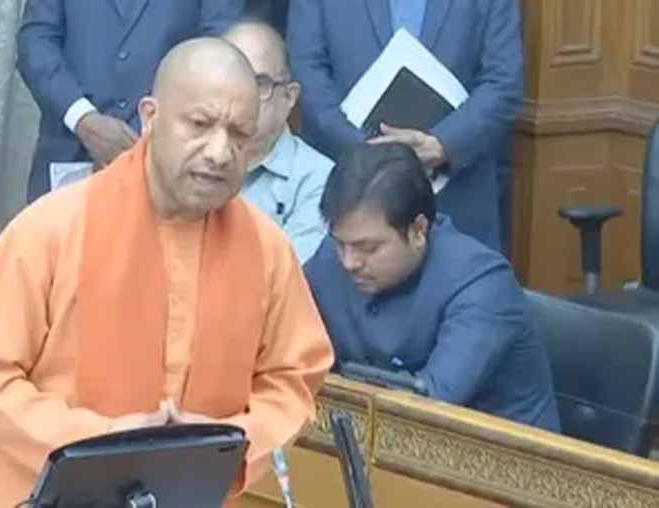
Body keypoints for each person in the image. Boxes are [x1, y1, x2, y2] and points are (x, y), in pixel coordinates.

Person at [0, 38, 334, 508]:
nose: (219, 152)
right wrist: (101, 442)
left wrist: (224, 443)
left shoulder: (267, 250)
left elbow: (295, 377)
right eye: (199, 124)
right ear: (150, 117)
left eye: (239, 134)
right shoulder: (51, 230)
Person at [303, 143, 559, 431]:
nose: (349, 262)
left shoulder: (482, 285)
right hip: (366, 440)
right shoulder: (330, 259)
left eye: (369, 248)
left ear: (418, 230)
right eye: (340, 244)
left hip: (493, 452)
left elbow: (428, 409)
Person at [287, 0, 523, 252]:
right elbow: (307, 72)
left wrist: (442, 144)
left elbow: (503, 82)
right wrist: (368, 152)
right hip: (350, 199)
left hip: (457, 197)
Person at [17, 0, 244, 202]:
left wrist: (145, 134)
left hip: (164, 170)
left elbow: (219, 52)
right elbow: (35, 42)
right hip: (69, 154)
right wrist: (82, 119)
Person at [223, 20, 333, 263]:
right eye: (232, 80)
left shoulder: (318, 178)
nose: (243, 96)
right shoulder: (193, 163)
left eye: (259, 84)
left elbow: (287, 275)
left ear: (290, 97)